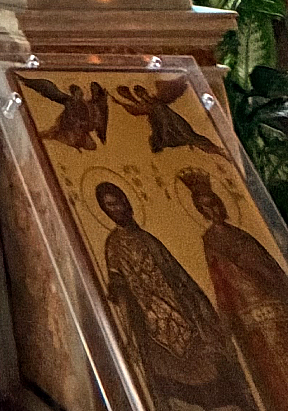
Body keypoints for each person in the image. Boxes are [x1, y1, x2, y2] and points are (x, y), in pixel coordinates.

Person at [95, 181, 253, 410]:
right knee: (175, 392)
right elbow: (121, 293)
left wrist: (204, 313)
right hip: (155, 334)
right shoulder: (114, 245)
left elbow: (180, 280)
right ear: (105, 211)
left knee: (217, 381)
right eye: (110, 205)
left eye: (119, 201)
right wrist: (128, 336)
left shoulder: (149, 239)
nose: (117, 208)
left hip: (187, 324)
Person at [177, 167, 288, 401]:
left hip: (278, 311)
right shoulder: (211, 242)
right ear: (200, 211)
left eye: (214, 202)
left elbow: (273, 271)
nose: (213, 209)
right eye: (205, 207)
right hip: (251, 320)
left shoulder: (243, 234)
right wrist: (226, 321)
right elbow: (221, 283)